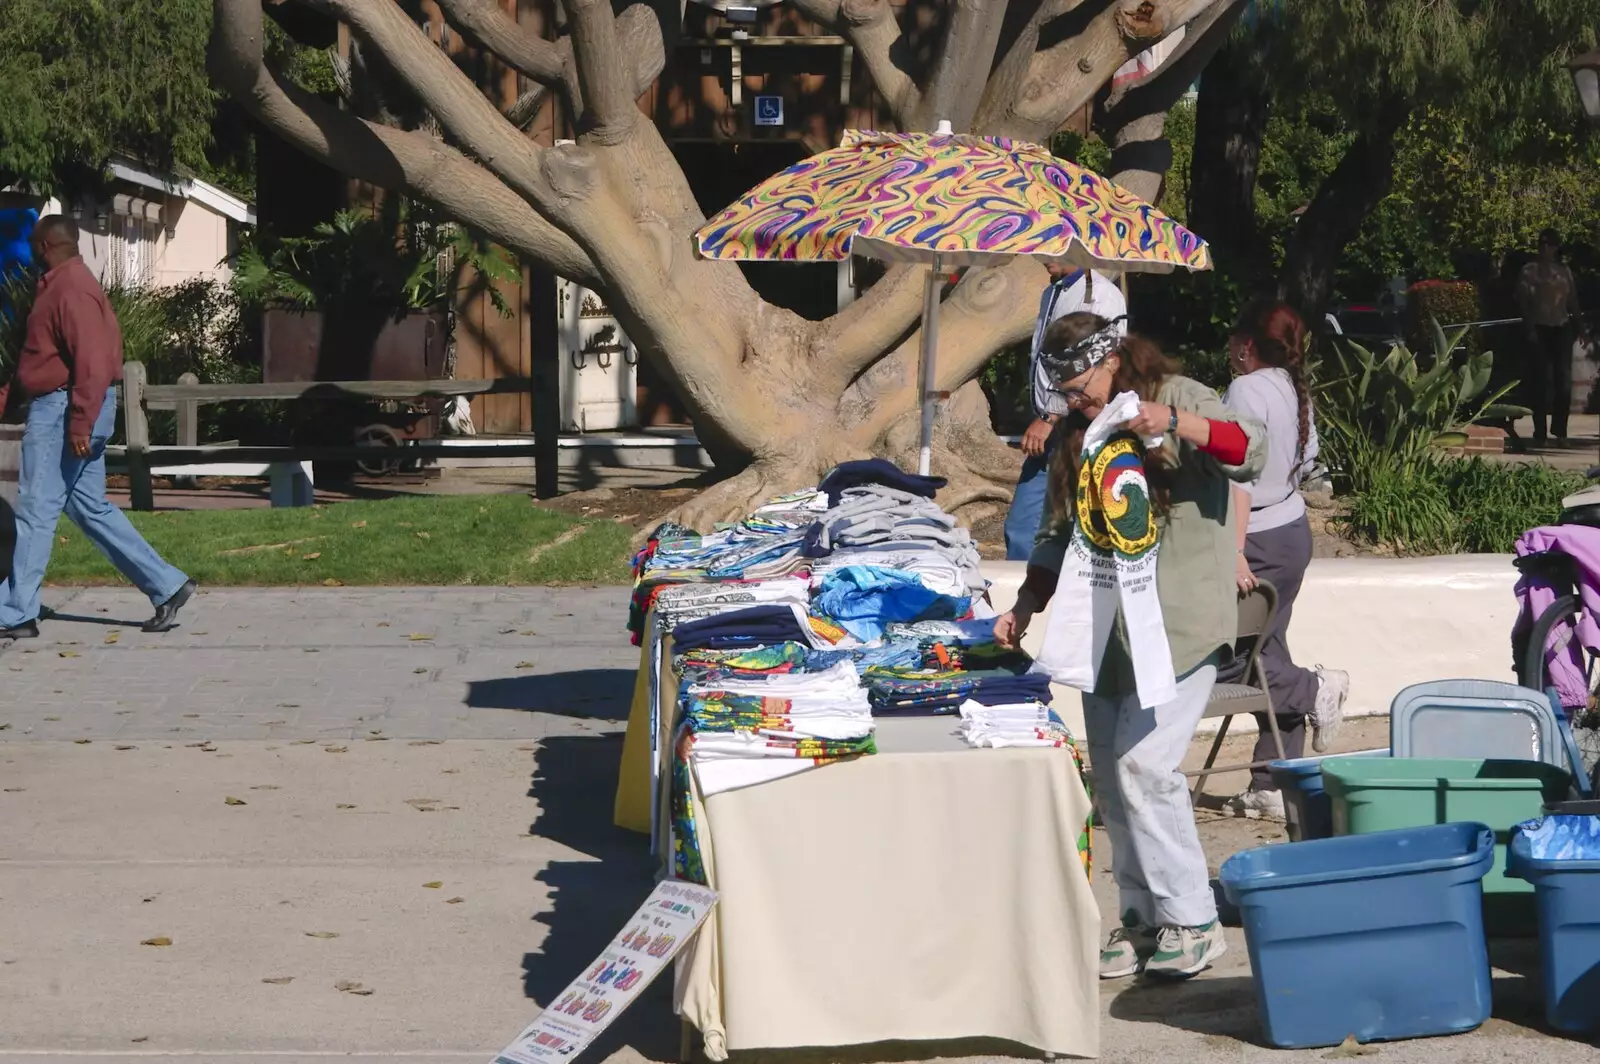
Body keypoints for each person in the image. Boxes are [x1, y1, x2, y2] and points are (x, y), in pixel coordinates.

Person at [994, 312, 1265, 980]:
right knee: (1114, 781)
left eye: (1080, 385)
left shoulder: (1180, 395)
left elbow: (1249, 449)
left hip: (1179, 625)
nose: (1075, 401)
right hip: (1104, 635)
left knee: (1147, 766)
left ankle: (1193, 921)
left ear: (1112, 357)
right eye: (1064, 393)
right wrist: (1027, 602)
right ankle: (1143, 919)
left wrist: (1172, 423)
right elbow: (1060, 529)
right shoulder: (1077, 433)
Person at [0, 215, 195, 639]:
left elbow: (91, 361)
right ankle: (167, 585)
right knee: (88, 507)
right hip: (70, 408)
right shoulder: (64, 285)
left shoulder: (71, 289)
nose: (30, 250)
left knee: (35, 509)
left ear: (47, 245)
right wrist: (12, 393)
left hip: (65, 411)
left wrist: (80, 422)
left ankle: (15, 614)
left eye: (33, 243)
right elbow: (49, 357)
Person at [1218, 299, 1351, 821]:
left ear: (1247, 344)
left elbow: (1238, 470)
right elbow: (1309, 457)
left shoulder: (1246, 388)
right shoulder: (1292, 385)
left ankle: (1319, 688)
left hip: (1259, 537)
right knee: (1267, 648)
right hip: (1292, 528)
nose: (1229, 349)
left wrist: (1233, 548)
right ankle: (1274, 782)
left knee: (1233, 656)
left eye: (1234, 339)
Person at [1002, 266, 1127, 560]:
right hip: (1057, 424)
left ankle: (1038, 594)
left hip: (1077, 425)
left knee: (1049, 526)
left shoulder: (1098, 295)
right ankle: (1028, 596)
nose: (1042, 257)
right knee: (1025, 526)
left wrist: (1050, 415)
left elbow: (1095, 369)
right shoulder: (1054, 291)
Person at [1517, 229, 1584, 446]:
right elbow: (1523, 303)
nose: (1546, 248)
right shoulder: (1529, 271)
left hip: (1561, 327)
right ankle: (1540, 433)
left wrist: (1579, 326)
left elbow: (1572, 301)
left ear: (1556, 248)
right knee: (1541, 382)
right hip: (1540, 327)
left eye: (1550, 244)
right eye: (1543, 244)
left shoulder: (1564, 272)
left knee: (1563, 382)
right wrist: (1529, 329)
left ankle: (1560, 432)